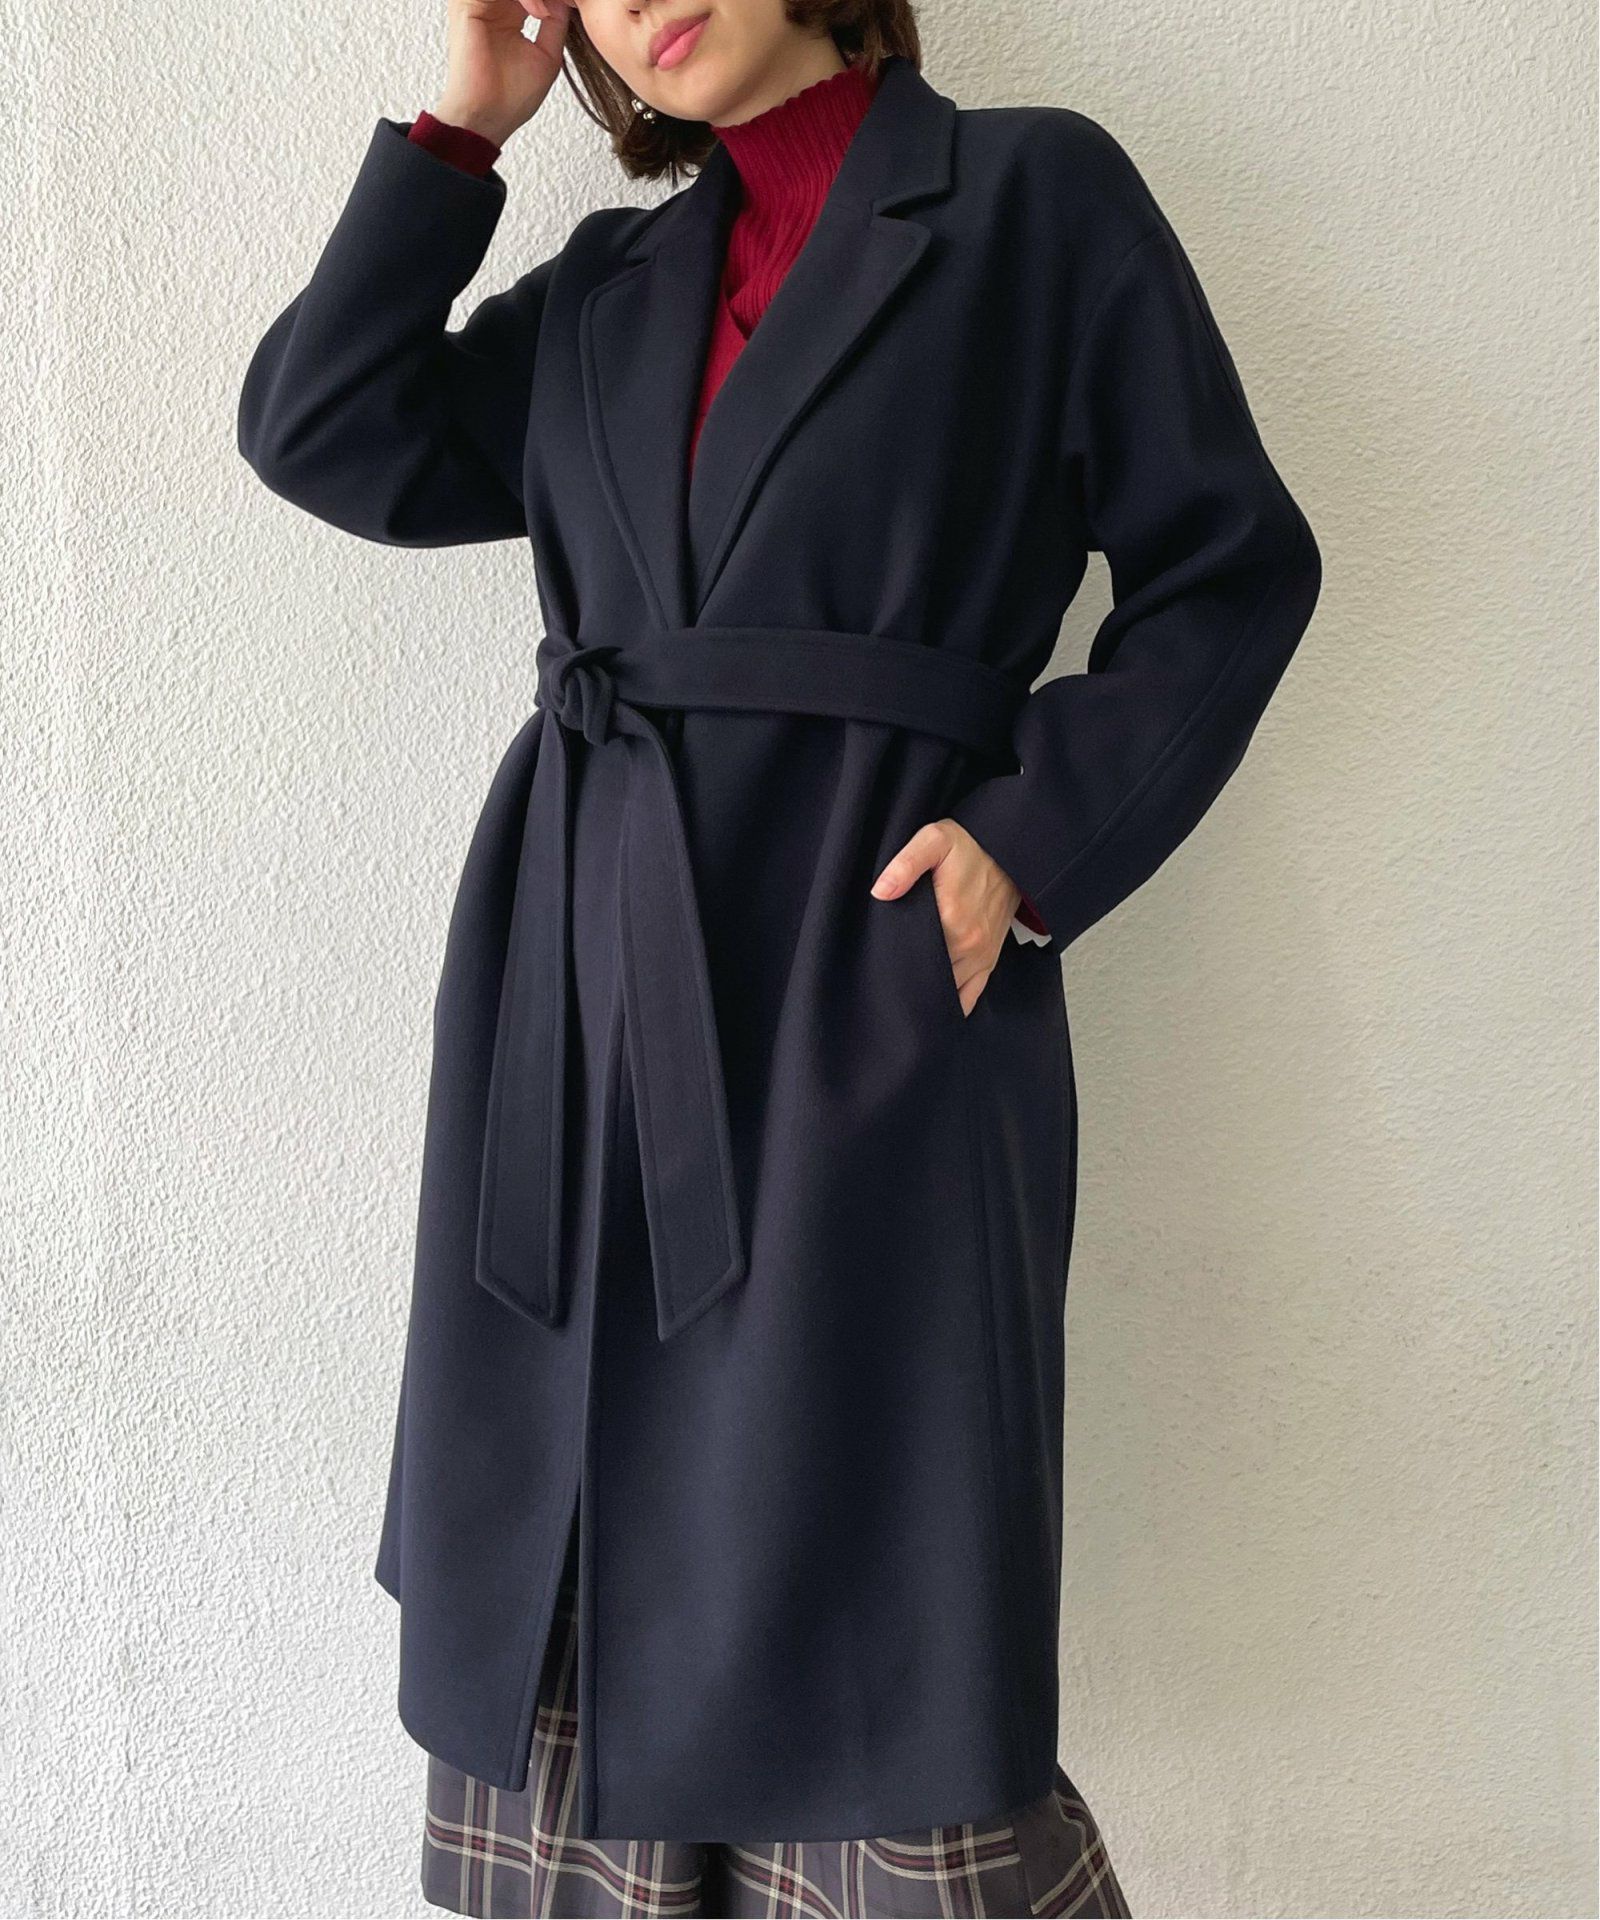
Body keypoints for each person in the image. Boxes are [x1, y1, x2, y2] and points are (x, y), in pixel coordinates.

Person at [237, 0, 1319, 1911]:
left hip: (863, 987)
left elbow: (1229, 564)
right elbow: (329, 432)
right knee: (584, 1537)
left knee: (875, 1583)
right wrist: (464, 126)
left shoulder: (1031, 200)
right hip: (581, 1004)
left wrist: (1027, 845)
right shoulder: (608, 286)